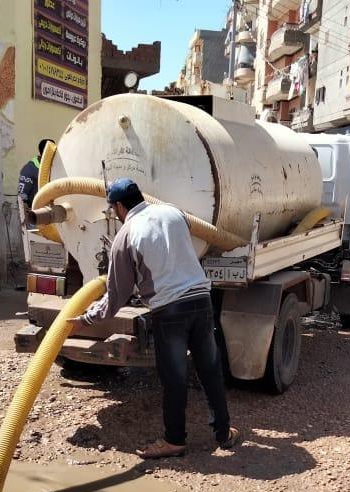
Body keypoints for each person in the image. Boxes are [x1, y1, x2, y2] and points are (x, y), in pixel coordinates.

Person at [69, 178, 241, 459]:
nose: (115, 214)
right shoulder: (174, 212)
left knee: (174, 378)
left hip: (170, 310)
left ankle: (174, 440)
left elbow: (116, 296)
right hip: (200, 300)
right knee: (210, 370)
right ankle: (223, 433)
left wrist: (85, 320)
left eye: (114, 209)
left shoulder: (125, 236)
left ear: (121, 206)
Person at [17, 138, 54, 218]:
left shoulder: (54, 166)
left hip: (53, 213)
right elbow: (22, 195)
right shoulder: (30, 168)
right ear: (47, 152)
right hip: (36, 215)